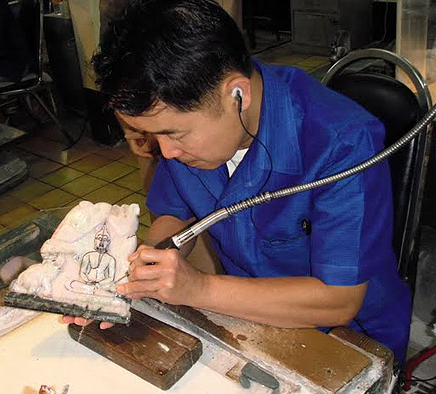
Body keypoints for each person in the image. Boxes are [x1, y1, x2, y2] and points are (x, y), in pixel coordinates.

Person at [63, 0, 412, 363]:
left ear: (237, 95)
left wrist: (197, 288)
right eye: (149, 135)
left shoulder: (342, 142)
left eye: (173, 134)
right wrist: (131, 278)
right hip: (247, 319)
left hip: (348, 340)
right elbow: (174, 216)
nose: (165, 152)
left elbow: (339, 300)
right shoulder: (188, 127)